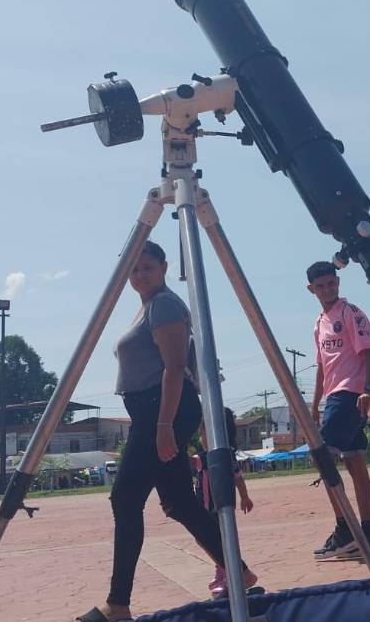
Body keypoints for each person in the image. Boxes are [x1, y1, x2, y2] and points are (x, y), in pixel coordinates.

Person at [77, 240, 255, 622]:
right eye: (134, 269)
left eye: (147, 267)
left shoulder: (165, 305)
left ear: (163, 267)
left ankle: (118, 604)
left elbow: (174, 368)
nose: (139, 275)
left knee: (125, 500)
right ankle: (238, 571)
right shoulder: (149, 307)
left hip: (163, 409)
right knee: (180, 503)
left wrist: (162, 426)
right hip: (155, 410)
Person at [306, 260, 370, 560]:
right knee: (354, 463)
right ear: (311, 289)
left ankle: (345, 530)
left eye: (331, 283)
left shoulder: (351, 313)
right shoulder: (319, 323)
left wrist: (369, 391)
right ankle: (368, 533)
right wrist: (314, 407)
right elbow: (322, 368)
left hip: (350, 394)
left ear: (338, 282)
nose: (327, 289)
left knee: (324, 459)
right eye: (320, 286)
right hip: (332, 397)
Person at [191, 407, 255, 598]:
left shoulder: (205, 456)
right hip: (219, 506)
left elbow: (190, 463)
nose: (200, 437)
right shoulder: (227, 454)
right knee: (219, 540)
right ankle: (223, 569)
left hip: (211, 508)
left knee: (210, 540)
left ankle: (227, 570)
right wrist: (244, 496)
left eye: (201, 432)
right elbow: (238, 478)